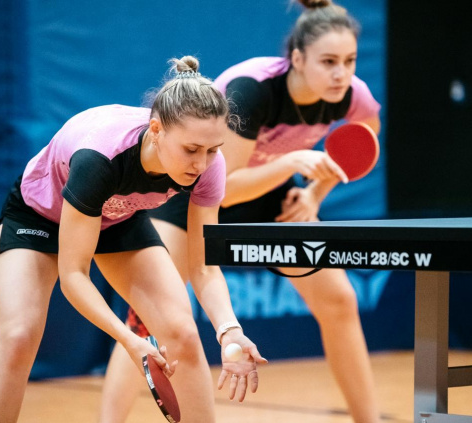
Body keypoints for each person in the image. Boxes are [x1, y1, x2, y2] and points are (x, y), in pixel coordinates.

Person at [99, 1, 382, 422]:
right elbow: (224, 190)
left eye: (350, 61)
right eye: (329, 62)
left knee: (339, 300)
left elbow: (366, 136)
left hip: (270, 196)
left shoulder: (351, 95)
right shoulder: (252, 90)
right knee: (149, 319)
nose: (342, 73)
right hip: (196, 192)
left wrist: (314, 195)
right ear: (298, 59)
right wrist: (290, 164)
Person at [0, 56, 267, 423]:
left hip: (118, 217)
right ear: (157, 130)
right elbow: (74, 275)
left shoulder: (210, 166)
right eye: (191, 150)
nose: (201, 164)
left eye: (212, 150)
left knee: (182, 334)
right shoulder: (99, 158)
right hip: (39, 216)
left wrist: (230, 331)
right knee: (18, 338)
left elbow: (204, 268)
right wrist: (129, 339)